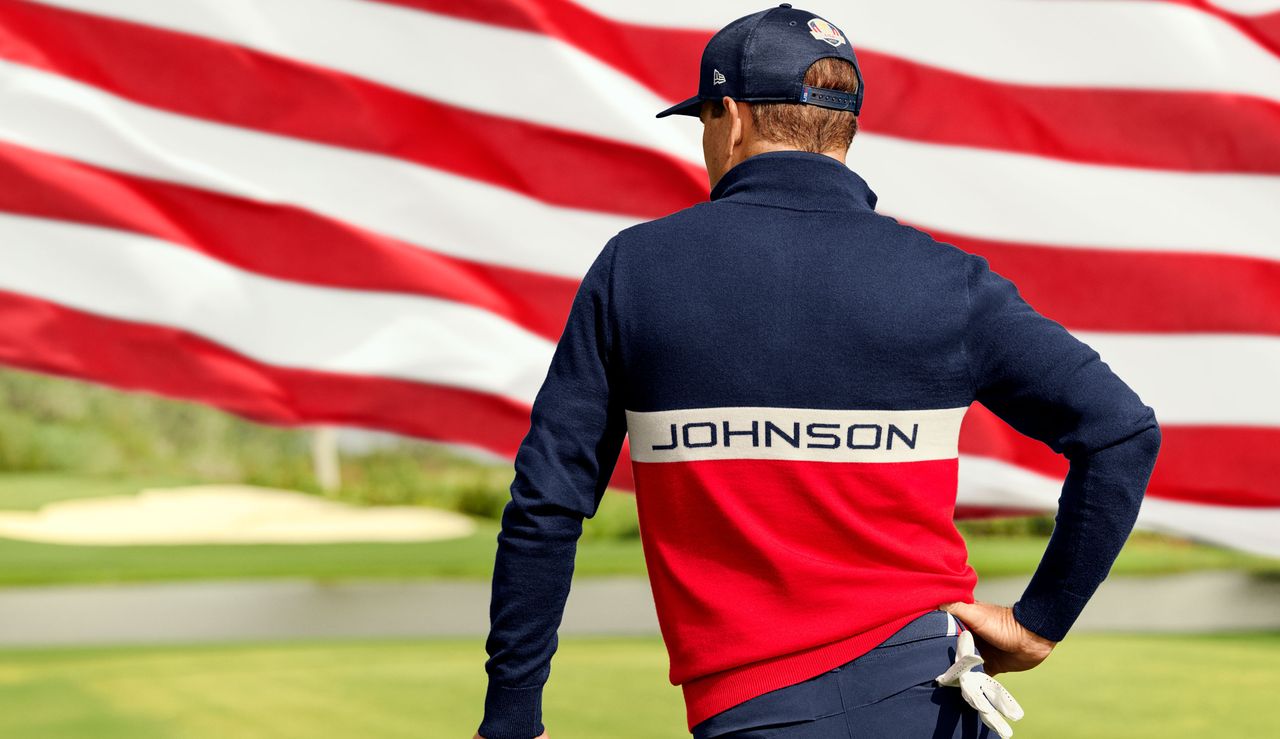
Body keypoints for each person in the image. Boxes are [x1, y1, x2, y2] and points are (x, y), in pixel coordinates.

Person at [474, 4, 1162, 738]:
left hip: (753, 713)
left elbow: (547, 503)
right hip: (934, 703)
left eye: (704, 119)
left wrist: (512, 712)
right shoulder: (946, 280)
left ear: (731, 118)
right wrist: (1039, 620)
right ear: (845, 129)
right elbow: (1121, 431)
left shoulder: (634, 271)